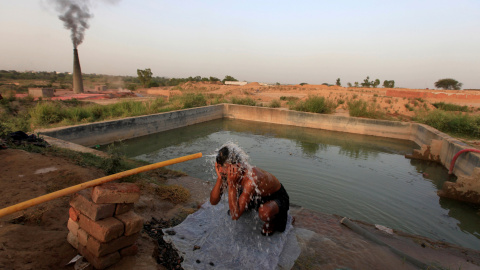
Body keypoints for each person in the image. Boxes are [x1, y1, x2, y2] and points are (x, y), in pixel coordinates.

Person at [210, 145, 290, 236]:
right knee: (236, 206)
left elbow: (235, 216)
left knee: (264, 213)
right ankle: (246, 205)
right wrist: (220, 179)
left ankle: (274, 220)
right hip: (254, 196)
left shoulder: (251, 177)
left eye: (224, 167)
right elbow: (213, 201)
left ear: (237, 166)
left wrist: (232, 184)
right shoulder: (227, 172)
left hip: (275, 196)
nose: (220, 170)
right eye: (219, 166)